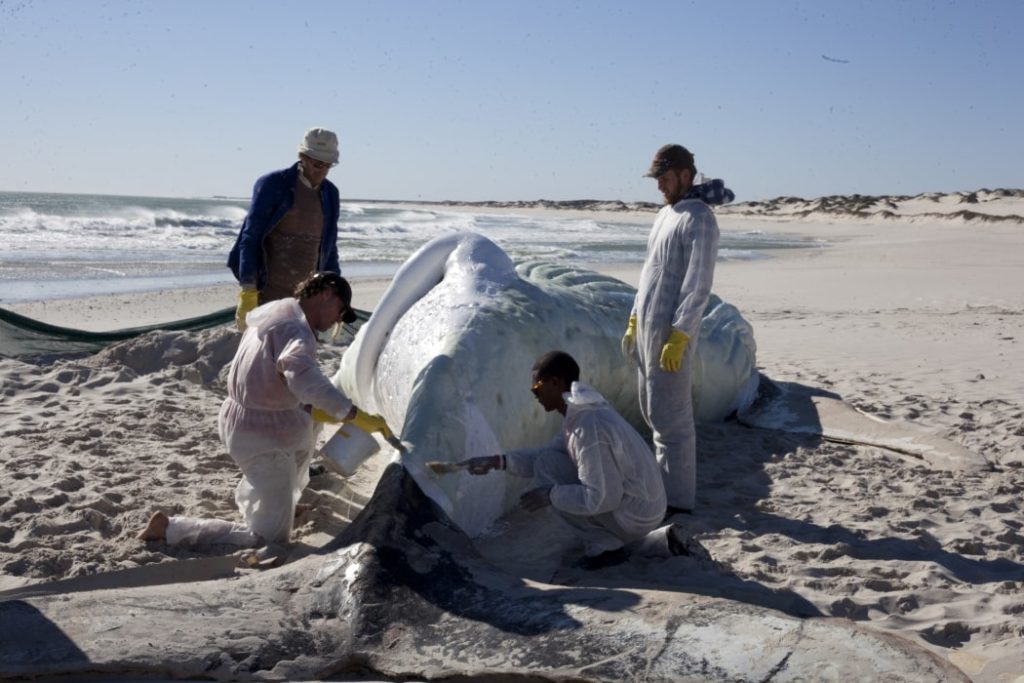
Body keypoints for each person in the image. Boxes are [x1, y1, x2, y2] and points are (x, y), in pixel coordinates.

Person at [138, 272, 389, 550]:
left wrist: (316, 411)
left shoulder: (278, 313)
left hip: (258, 419)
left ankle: (282, 503)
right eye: (340, 311)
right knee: (269, 539)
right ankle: (170, 527)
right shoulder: (296, 331)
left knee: (306, 439)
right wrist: (354, 414)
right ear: (326, 293)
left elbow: (278, 377)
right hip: (260, 434)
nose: (337, 321)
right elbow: (304, 378)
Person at [464, 351, 666, 570]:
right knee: (547, 462)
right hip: (640, 506)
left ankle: (607, 547)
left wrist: (551, 495)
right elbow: (543, 458)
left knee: (552, 481)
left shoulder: (588, 426)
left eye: (536, 388)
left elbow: (603, 498)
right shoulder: (581, 413)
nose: (535, 395)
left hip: (636, 515)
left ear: (555, 382)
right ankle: (608, 540)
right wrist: (498, 462)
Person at [621, 144, 734, 516]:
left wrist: (681, 333)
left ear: (686, 175)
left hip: (671, 335)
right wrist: (635, 317)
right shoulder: (665, 214)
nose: (660, 187)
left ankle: (677, 502)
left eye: (665, 179)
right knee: (652, 412)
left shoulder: (699, 218)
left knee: (673, 422)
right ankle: (661, 490)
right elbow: (649, 273)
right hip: (648, 330)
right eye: (657, 180)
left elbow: (698, 283)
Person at [227, 127, 344, 330]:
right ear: (302, 156)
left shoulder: (330, 194)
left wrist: (336, 295)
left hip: (306, 299)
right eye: (317, 164)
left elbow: (329, 246)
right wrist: (248, 291)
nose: (322, 170)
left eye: (328, 165)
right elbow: (250, 238)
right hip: (267, 294)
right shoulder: (273, 185)